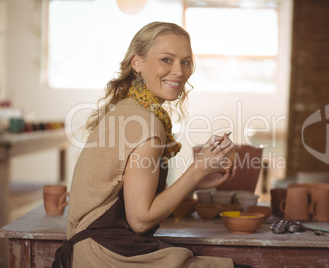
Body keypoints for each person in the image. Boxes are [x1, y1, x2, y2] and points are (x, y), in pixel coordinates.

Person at [53, 22, 245, 268]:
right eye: (167, 59)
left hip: (101, 248)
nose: (179, 71)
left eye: (185, 62)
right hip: (106, 255)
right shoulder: (146, 123)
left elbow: (132, 200)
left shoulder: (130, 108)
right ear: (137, 63)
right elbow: (141, 220)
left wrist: (197, 179)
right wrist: (197, 169)